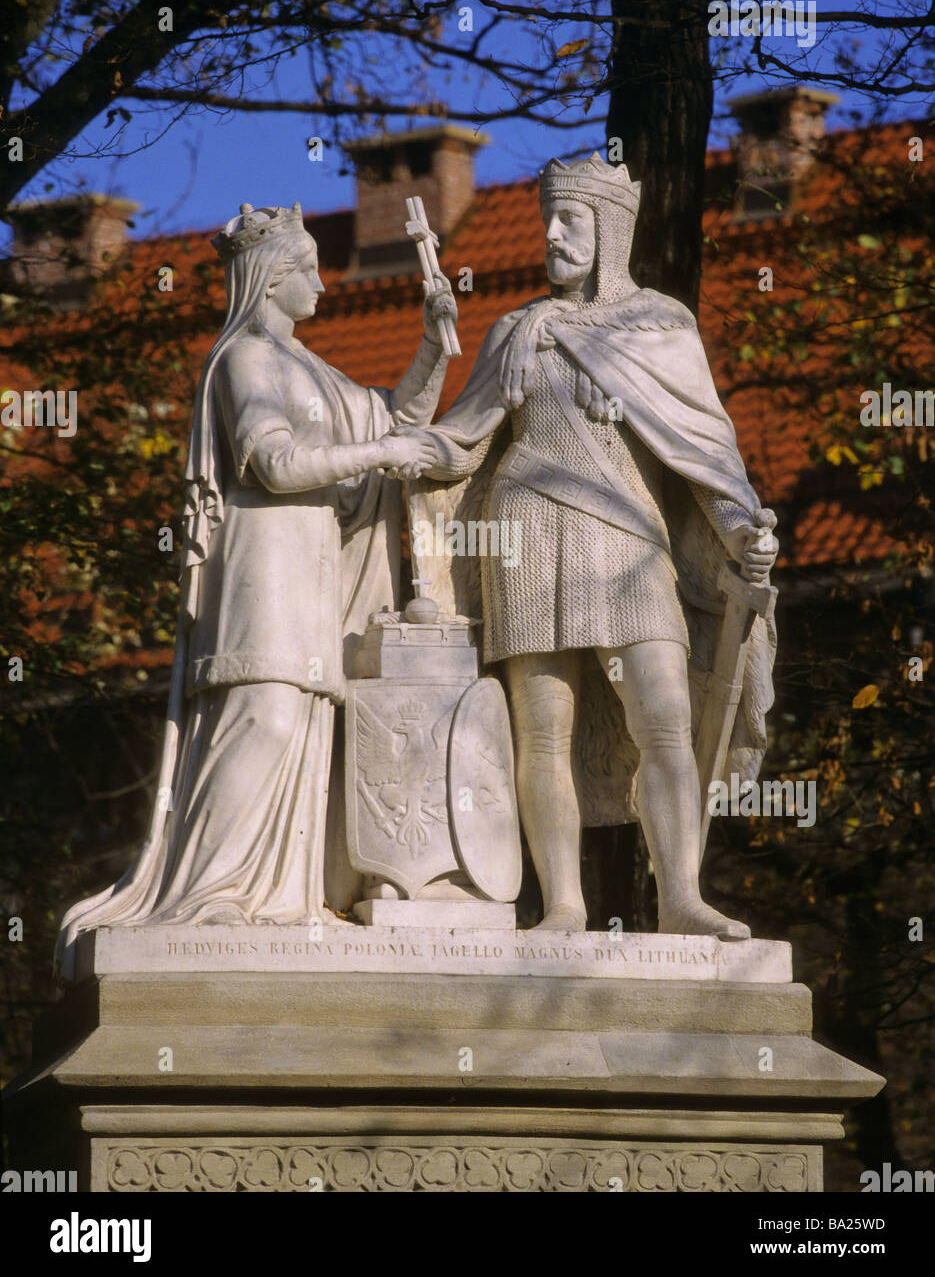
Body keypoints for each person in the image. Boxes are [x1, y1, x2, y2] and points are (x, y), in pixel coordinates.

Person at [56, 201, 443, 978]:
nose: (324, 288)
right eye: (309, 273)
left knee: (306, 723)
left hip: (314, 563)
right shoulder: (244, 361)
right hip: (261, 564)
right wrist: (382, 446)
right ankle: (206, 895)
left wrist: (434, 345)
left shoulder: (313, 367)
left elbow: (393, 421)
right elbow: (275, 465)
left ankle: (279, 898)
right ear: (271, 280)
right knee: (262, 714)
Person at [404, 155, 778, 939]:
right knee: (541, 729)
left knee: (666, 715)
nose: (550, 234)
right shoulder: (516, 330)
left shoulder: (658, 325)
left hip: (631, 540)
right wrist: (387, 441)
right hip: (525, 531)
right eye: (548, 218)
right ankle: (564, 906)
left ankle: (679, 895)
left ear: (610, 229)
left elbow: (703, 449)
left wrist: (743, 531)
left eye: (569, 219)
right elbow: (457, 444)